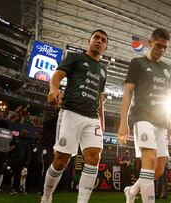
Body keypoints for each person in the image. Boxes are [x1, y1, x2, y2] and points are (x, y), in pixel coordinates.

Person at [41, 29, 108, 203]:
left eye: (103, 40)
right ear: (89, 40)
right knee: (61, 161)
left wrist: (102, 120)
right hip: (70, 112)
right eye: (96, 38)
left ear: (105, 47)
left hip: (92, 118)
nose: (99, 41)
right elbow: (57, 75)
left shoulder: (103, 70)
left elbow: (100, 97)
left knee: (94, 157)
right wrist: (54, 89)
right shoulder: (76, 57)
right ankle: (46, 197)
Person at [118, 28, 171, 203]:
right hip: (142, 116)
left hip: (161, 121)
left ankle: (132, 191)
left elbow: (168, 96)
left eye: (165, 47)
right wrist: (123, 122)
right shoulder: (137, 63)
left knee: (158, 170)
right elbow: (128, 93)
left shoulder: (167, 68)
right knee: (149, 161)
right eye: (158, 45)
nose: (161, 50)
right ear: (150, 42)